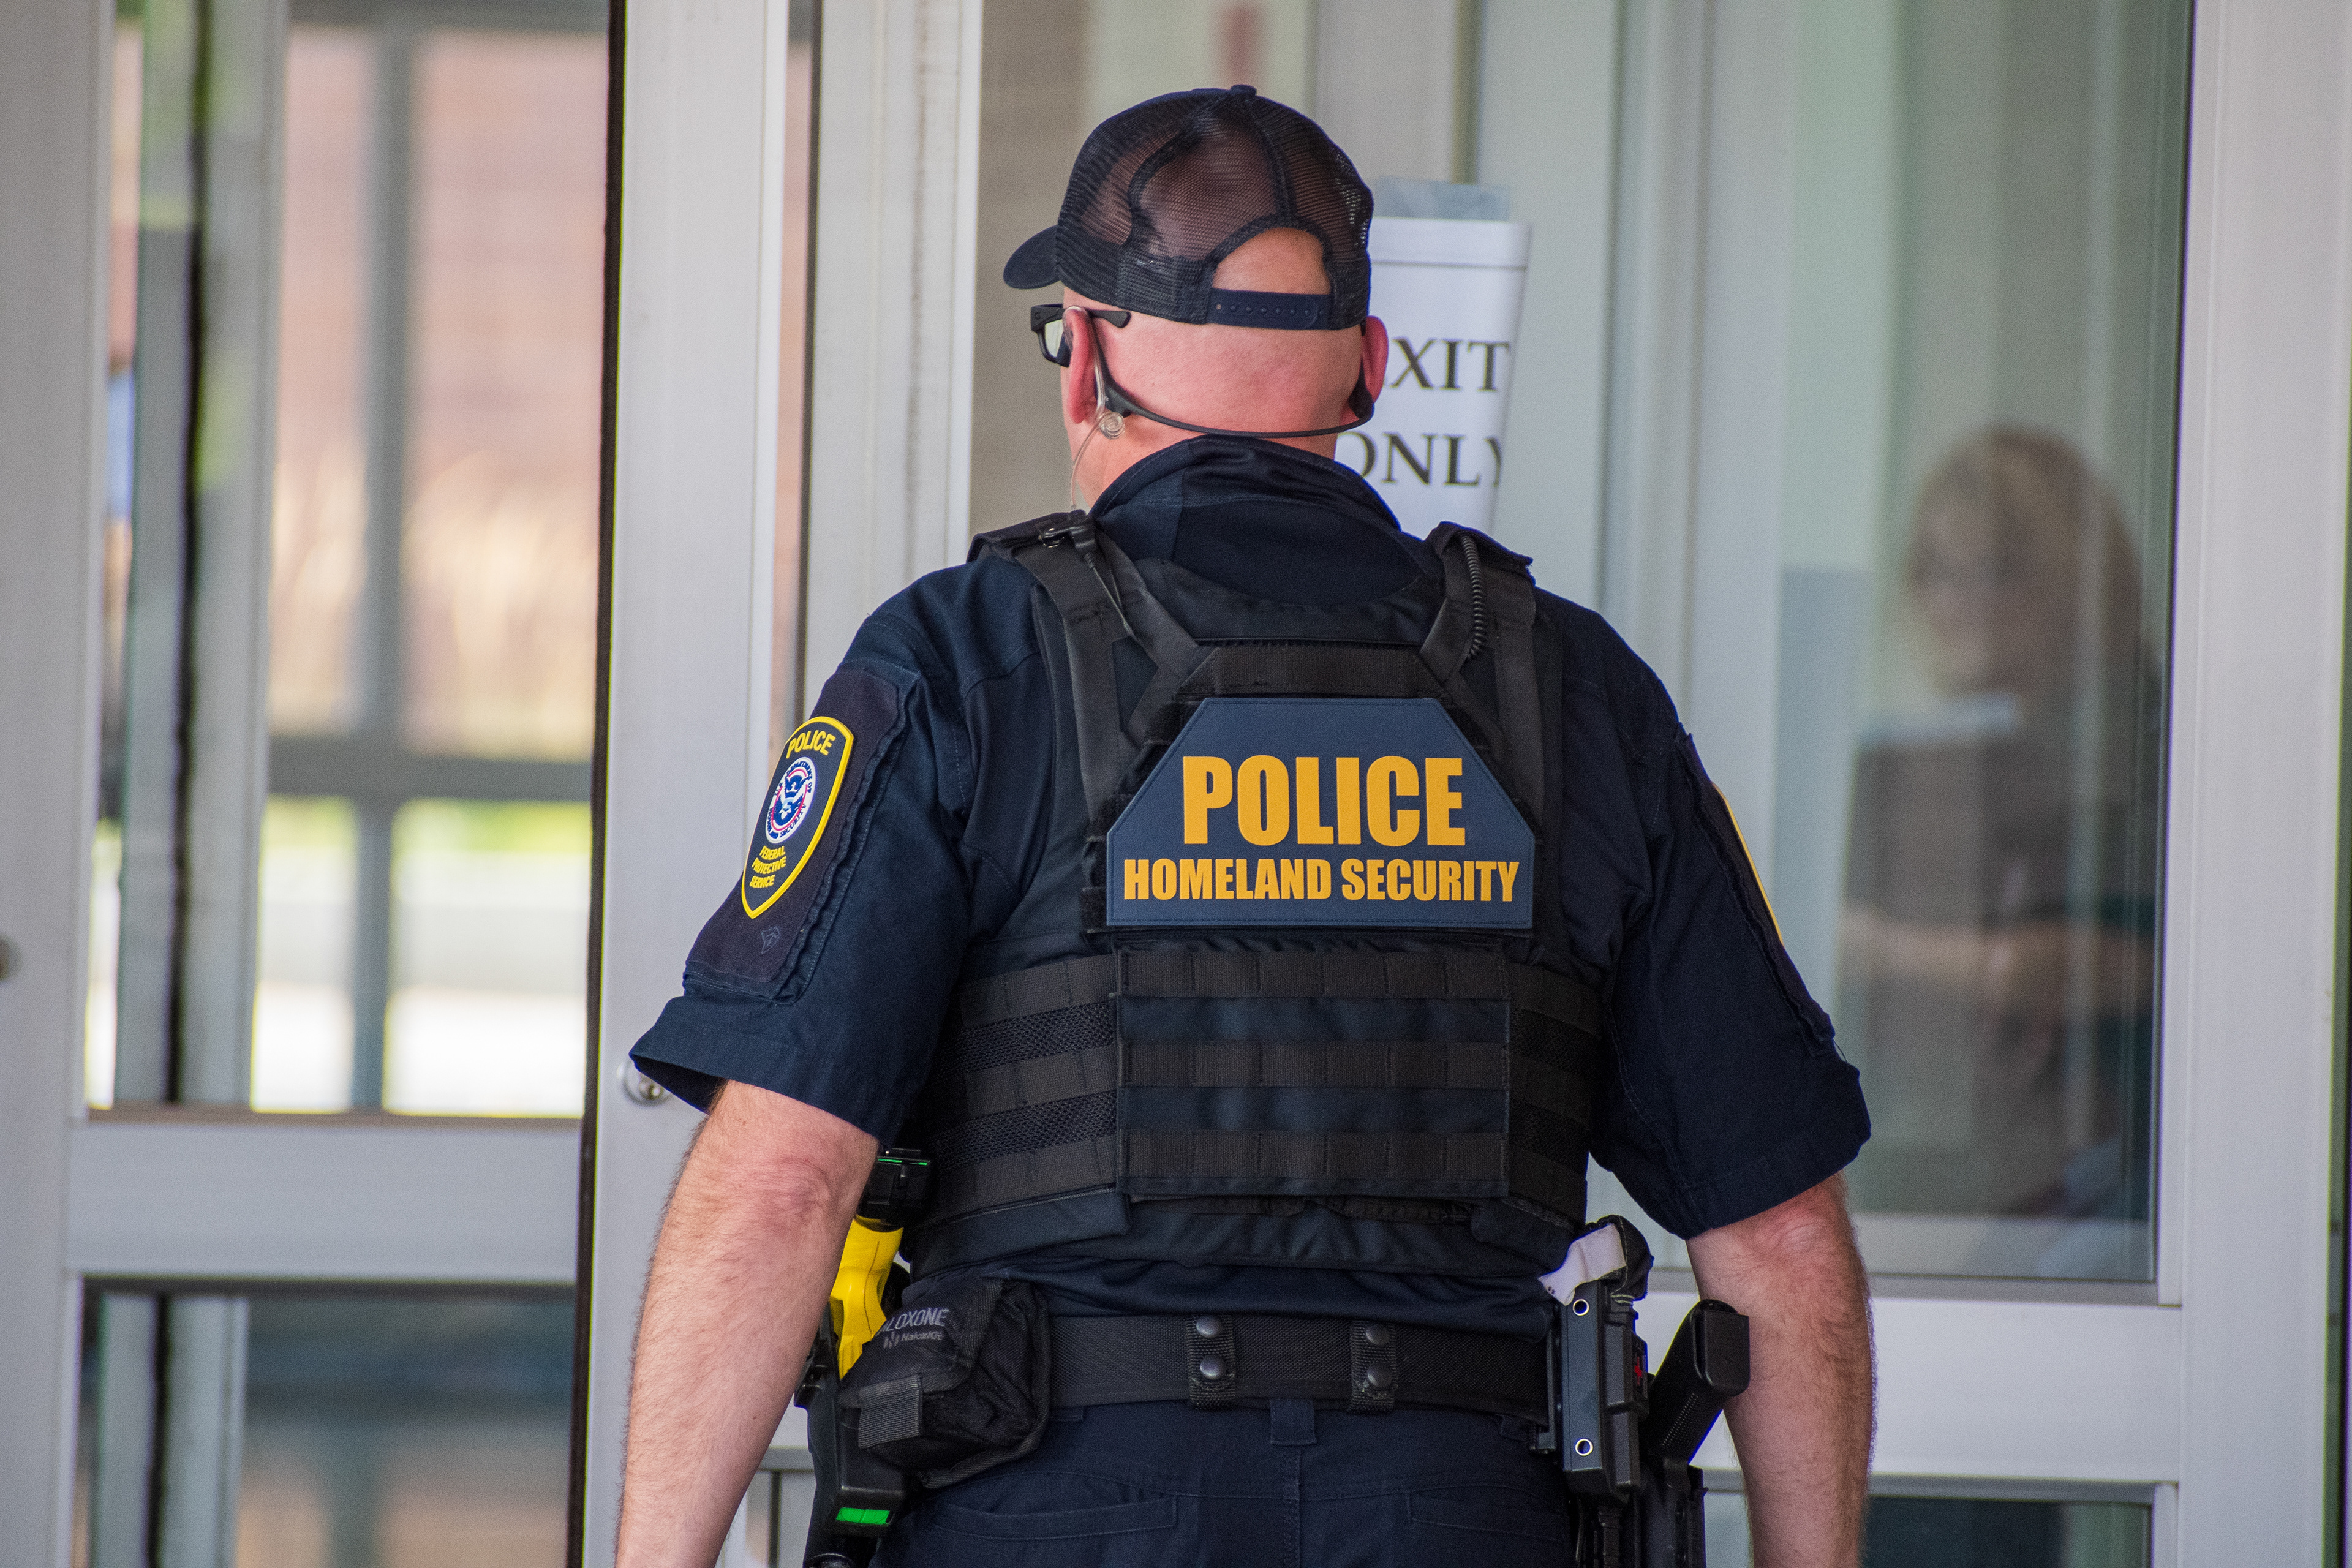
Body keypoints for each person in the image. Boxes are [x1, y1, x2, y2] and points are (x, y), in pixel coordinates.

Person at [616, 87, 1873, 1568]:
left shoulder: (973, 660)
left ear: (1081, 358)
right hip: (1462, 1510)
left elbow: (780, 1175)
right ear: (1372, 373)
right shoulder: (1572, 691)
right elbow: (1783, 1241)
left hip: (1059, 1505)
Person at [1839, 428, 2160, 1273]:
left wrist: (1875, 947)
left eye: (1988, 573)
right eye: (1932, 570)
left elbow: (2136, 964)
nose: (1950, 602)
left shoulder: (2135, 738)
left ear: (2069, 583)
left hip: (2131, 1197)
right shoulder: (1994, 743)